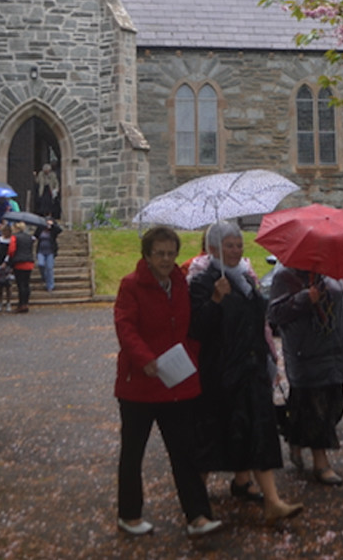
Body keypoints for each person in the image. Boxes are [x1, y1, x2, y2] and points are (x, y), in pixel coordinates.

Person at [112, 226, 224, 538]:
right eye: (159, 253)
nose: (165, 259)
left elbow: (192, 327)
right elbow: (125, 326)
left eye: (170, 253)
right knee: (133, 453)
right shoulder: (131, 285)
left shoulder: (180, 283)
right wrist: (144, 358)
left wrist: (215, 300)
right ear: (146, 255)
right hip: (140, 384)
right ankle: (129, 515)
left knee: (185, 452)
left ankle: (198, 516)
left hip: (176, 383)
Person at [187, 221, 302, 523]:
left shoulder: (246, 279)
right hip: (221, 373)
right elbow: (196, 328)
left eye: (239, 244)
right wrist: (214, 300)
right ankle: (194, 501)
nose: (236, 250)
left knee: (259, 433)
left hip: (252, 370)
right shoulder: (203, 281)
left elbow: (257, 323)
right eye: (229, 245)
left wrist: (267, 360)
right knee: (213, 437)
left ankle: (272, 501)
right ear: (213, 249)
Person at [267, 264, 343, 486]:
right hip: (306, 354)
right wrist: (305, 298)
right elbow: (275, 314)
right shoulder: (285, 276)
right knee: (317, 410)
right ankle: (321, 464)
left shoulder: (331, 274)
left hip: (334, 351)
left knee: (334, 406)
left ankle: (295, 440)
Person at [6, 221, 36, 313]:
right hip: (29, 262)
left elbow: (11, 250)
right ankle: (26, 303)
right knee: (26, 284)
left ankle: (21, 304)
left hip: (19, 263)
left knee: (21, 284)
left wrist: (10, 259)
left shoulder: (14, 237)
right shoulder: (29, 237)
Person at [36, 217, 63, 293]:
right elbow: (36, 235)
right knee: (41, 264)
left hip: (50, 251)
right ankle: (44, 277)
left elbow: (59, 230)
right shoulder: (40, 229)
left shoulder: (53, 231)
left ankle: (50, 286)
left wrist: (53, 225)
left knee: (49, 268)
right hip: (40, 251)